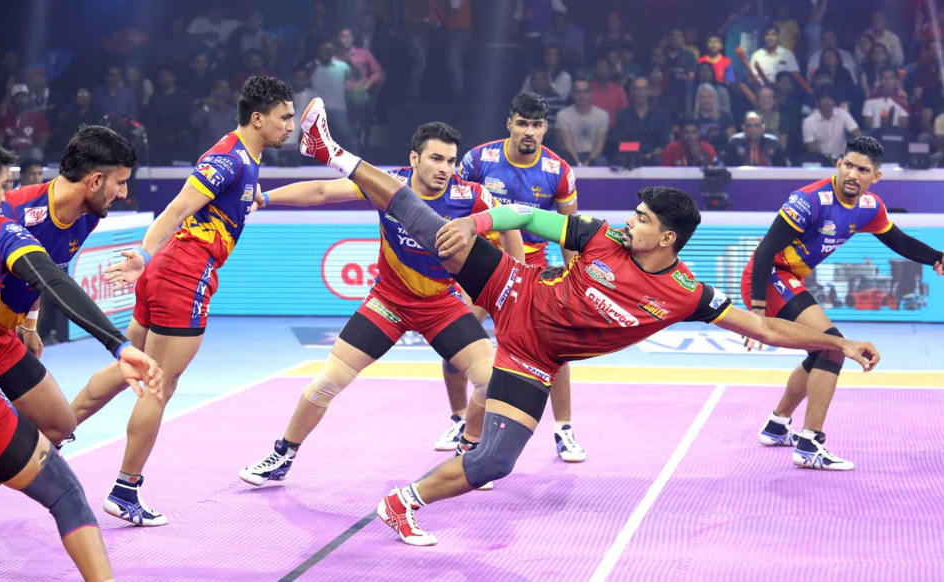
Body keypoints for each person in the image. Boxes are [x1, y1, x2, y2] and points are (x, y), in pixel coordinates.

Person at [294, 98, 880, 546]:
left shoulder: (687, 294)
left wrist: (840, 343)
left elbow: (769, 329)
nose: (632, 220)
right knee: (432, 227)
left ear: (667, 238)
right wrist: (477, 223)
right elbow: (530, 217)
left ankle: (401, 503)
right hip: (512, 288)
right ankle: (331, 151)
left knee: (495, 462)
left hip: (533, 359)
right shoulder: (603, 236)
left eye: (643, 218)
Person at [0, 133, 161, 579]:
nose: (124, 193)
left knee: (59, 422)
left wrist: (28, 324)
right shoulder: (7, 215)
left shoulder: (86, 216)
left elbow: (47, 274)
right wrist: (118, 344)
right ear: (95, 180)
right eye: (120, 182)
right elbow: (44, 275)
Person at [238, 122, 523, 487]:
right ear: (414, 158)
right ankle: (283, 454)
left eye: (451, 161)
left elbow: (509, 221)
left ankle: (468, 449)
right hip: (388, 302)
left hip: (441, 305)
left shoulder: (469, 195)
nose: (445, 169)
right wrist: (265, 198)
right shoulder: (388, 184)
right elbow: (323, 190)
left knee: (490, 380)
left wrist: (518, 277)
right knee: (328, 382)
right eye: (436, 159)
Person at [66, 76, 295, 526]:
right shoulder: (229, 158)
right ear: (257, 118)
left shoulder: (246, 159)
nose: (291, 126)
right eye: (284, 117)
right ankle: (125, 490)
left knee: (130, 365)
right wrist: (144, 254)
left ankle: (55, 430)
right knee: (159, 383)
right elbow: (176, 210)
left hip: (171, 269)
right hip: (184, 272)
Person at [742, 137, 943, 470]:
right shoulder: (808, 201)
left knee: (820, 352)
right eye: (848, 165)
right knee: (833, 347)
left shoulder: (870, 207)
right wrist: (757, 314)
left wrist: (937, 257)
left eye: (862, 170)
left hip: (790, 278)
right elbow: (764, 251)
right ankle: (810, 445)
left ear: (875, 176)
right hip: (767, 278)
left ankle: (777, 426)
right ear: (838, 164)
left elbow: (899, 241)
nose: (852, 174)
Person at [457, 92, 585, 462]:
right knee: (458, 341)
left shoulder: (558, 170)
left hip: (532, 268)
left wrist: (574, 281)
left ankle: (563, 429)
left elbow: (569, 231)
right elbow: (455, 207)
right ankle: (459, 420)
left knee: (554, 348)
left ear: (545, 128)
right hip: (483, 265)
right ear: (510, 123)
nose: (529, 131)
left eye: (537, 125)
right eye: (523, 123)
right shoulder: (479, 159)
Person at [556, 79, 609, 166]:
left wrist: (589, 161)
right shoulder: (562, 115)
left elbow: (599, 144)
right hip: (571, 155)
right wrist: (578, 163)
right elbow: (567, 143)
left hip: (593, 155)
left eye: (585, 91)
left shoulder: (602, 115)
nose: (581, 95)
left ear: (591, 93)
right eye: (578, 92)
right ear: (573, 94)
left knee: (601, 161)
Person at [803, 88, 861, 159]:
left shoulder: (843, 114)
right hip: (820, 160)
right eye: (823, 98)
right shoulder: (809, 121)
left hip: (842, 159)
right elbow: (811, 148)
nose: (827, 102)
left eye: (830, 98)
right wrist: (827, 161)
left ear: (834, 102)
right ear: (817, 102)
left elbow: (857, 134)